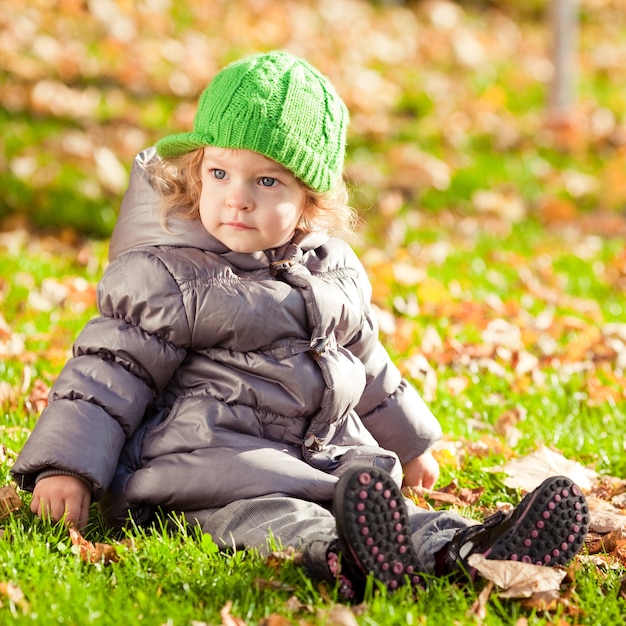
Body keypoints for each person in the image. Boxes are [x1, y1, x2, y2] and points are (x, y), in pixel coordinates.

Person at [11, 50, 589, 600]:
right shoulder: (168, 274)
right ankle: (346, 555)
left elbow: (367, 363)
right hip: (211, 468)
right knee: (279, 517)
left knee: (390, 508)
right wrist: (68, 469)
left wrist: (410, 443)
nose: (236, 199)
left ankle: (471, 549)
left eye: (267, 182)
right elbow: (108, 371)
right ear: (196, 173)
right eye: (219, 173)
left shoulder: (329, 268)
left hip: (326, 459)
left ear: (310, 203)